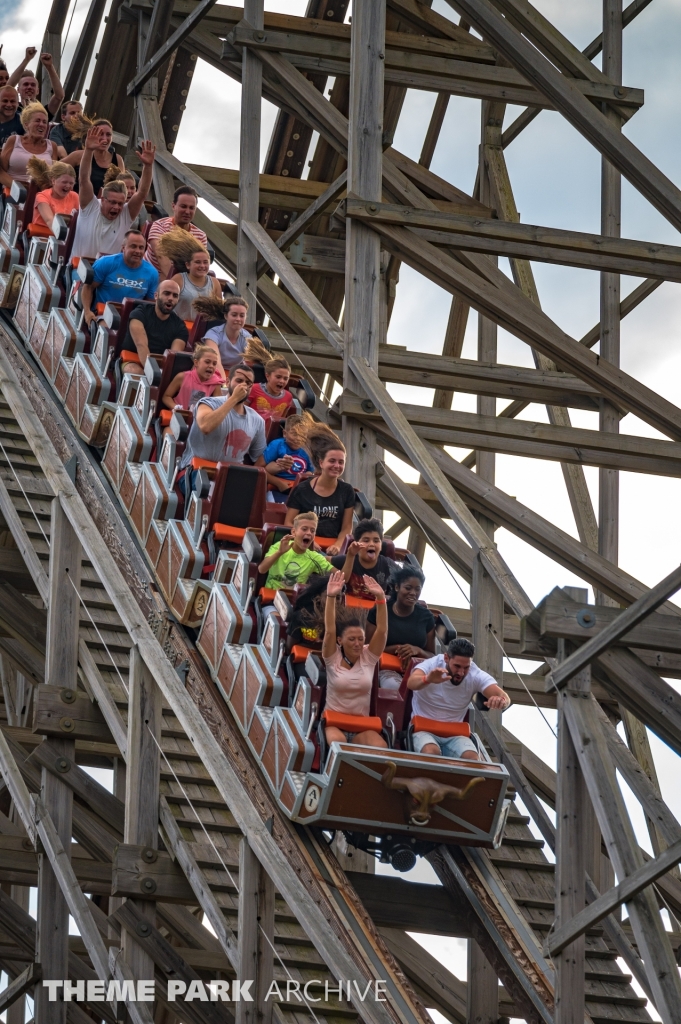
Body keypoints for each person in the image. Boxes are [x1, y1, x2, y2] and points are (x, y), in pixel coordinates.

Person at [406, 638, 510, 761]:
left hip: (454, 734)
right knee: (431, 752)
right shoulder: (432, 664)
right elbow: (411, 683)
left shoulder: (475, 674)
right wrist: (427, 679)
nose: (461, 672)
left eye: (466, 667)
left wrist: (501, 702)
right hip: (422, 729)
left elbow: (504, 698)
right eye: (457, 666)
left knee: (473, 759)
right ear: (446, 658)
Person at [321, 570, 388, 749]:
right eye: (352, 639)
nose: (358, 644)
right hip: (334, 723)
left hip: (361, 726)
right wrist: (331, 596)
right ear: (340, 641)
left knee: (380, 747)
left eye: (361, 639)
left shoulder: (368, 657)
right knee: (339, 745)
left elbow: (381, 631)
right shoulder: (332, 657)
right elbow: (329, 630)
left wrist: (381, 599)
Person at [178, 363, 266, 490]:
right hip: (197, 471)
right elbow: (205, 426)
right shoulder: (208, 403)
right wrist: (233, 399)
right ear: (228, 381)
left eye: (248, 383)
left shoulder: (257, 420)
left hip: (231, 477)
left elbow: (258, 457)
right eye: (239, 381)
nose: (244, 386)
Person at [71, 126, 154, 260]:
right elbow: (84, 180)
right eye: (113, 202)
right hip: (79, 271)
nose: (117, 207)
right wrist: (88, 150)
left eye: (120, 203)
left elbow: (142, 193)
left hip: (108, 275)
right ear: (103, 199)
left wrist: (148, 166)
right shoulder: (90, 206)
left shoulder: (125, 214)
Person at [285, 425, 355, 555]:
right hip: (306, 545)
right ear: (321, 463)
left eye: (341, 462)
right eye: (332, 461)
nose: (336, 466)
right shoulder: (302, 489)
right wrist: (308, 540)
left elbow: (347, 527)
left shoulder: (347, 490)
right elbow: (289, 522)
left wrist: (338, 545)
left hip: (333, 546)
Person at [366, 566, 435, 690]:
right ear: (397, 587)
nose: (413, 593)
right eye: (408, 588)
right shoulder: (380, 611)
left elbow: (432, 656)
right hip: (385, 668)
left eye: (417, 589)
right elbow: (367, 649)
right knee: (393, 686)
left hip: (416, 671)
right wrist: (397, 649)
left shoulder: (426, 617)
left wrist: (417, 650)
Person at [81, 231, 159, 327]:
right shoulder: (106, 263)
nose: (138, 251)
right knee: (110, 330)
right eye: (133, 246)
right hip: (102, 315)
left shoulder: (152, 273)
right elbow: (88, 287)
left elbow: (150, 304)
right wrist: (87, 312)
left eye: (141, 247)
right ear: (123, 248)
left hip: (132, 320)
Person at [120, 279, 188, 374]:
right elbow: (141, 345)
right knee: (136, 372)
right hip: (131, 360)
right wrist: (152, 374)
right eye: (166, 293)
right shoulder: (139, 313)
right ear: (156, 296)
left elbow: (172, 357)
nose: (170, 298)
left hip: (159, 368)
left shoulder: (180, 326)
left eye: (175, 296)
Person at [155, 227, 222, 320]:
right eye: (198, 262)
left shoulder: (215, 283)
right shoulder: (178, 279)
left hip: (203, 330)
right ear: (188, 265)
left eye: (205, 262)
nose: (202, 266)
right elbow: (163, 301)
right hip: (179, 326)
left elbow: (218, 312)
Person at [258, 512, 332, 591]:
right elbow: (262, 569)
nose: (309, 533)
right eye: (304, 529)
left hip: (293, 600)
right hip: (272, 598)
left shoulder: (314, 557)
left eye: (312, 531)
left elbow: (341, 577)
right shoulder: (279, 546)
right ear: (294, 532)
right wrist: (279, 552)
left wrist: (347, 558)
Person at [145, 186, 207, 277]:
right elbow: (161, 256)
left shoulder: (200, 236)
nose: (187, 211)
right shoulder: (159, 225)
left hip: (180, 280)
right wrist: (175, 284)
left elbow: (199, 265)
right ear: (174, 206)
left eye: (191, 208)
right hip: (150, 275)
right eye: (183, 206)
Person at [330, 518, 396, 600]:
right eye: (366, 540)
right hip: (348, 610)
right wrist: (350, 556)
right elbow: (322, 560)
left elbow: (405, 579)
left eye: (376, 541)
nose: (371, 544)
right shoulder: (347, 559)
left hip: (375, 610)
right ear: (356, 543)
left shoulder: (387, 564)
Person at [0, 103, 62, 186]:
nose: (41, 124)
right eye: (37, 120)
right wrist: (19, 189)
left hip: (40, 193)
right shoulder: (14, 140)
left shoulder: (52, 146)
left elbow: (53, 176)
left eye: (44, 122)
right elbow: (1, 172)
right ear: (26, 124)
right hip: (12, 191)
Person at [62, 115, 125, 194]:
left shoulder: (118, 159)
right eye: (100, 134)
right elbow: (55, 170)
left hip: (107, 204)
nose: (104, 138)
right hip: (79, 203)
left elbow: (122, 188)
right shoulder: (79, 156)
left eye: (108, 134)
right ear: (93, 134)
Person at [263, 412, 313, 503]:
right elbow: (260, 468)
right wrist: (279, 482)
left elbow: (311, 472)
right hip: (276, 487)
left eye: (302, 435)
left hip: (299, 489)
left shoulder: (308, 450)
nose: (298, 438)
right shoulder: (277, 445)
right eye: (294, 434)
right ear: (285, 433)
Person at [161, 343, 224, 415]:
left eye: (214, 364)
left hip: (199, 420)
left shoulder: (215, 383)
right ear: (196, 362)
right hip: (177, 416)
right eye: (207, 362)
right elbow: (166, 397)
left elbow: (219, 407)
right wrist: (176, 407)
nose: (211, 366)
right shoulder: (182, 377)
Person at [202, 295, 251, 374]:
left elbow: (251, 361)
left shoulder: (247, 338)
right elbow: (215, 361)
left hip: (234, 374)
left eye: (242, 315)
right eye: (234, 315)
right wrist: (224, 384)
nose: (238, 319)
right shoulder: (213, 333)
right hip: (212, 370)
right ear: (226, 316)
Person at [27, 157, 78, 230]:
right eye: (64, 182)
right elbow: (50, 221)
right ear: (53, 181)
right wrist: (66, 238)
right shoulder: (42, 196)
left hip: (65, 236)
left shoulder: (74, 196)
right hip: (43, 235)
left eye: (71, 183)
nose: (68, 186)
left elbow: (79, 220)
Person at [248, 356, 294, 422]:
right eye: (278, 377)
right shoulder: (253, 389)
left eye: (285, 378)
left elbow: (281, 420)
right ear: (268, 376)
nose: (282, 381)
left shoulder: (288, 397)